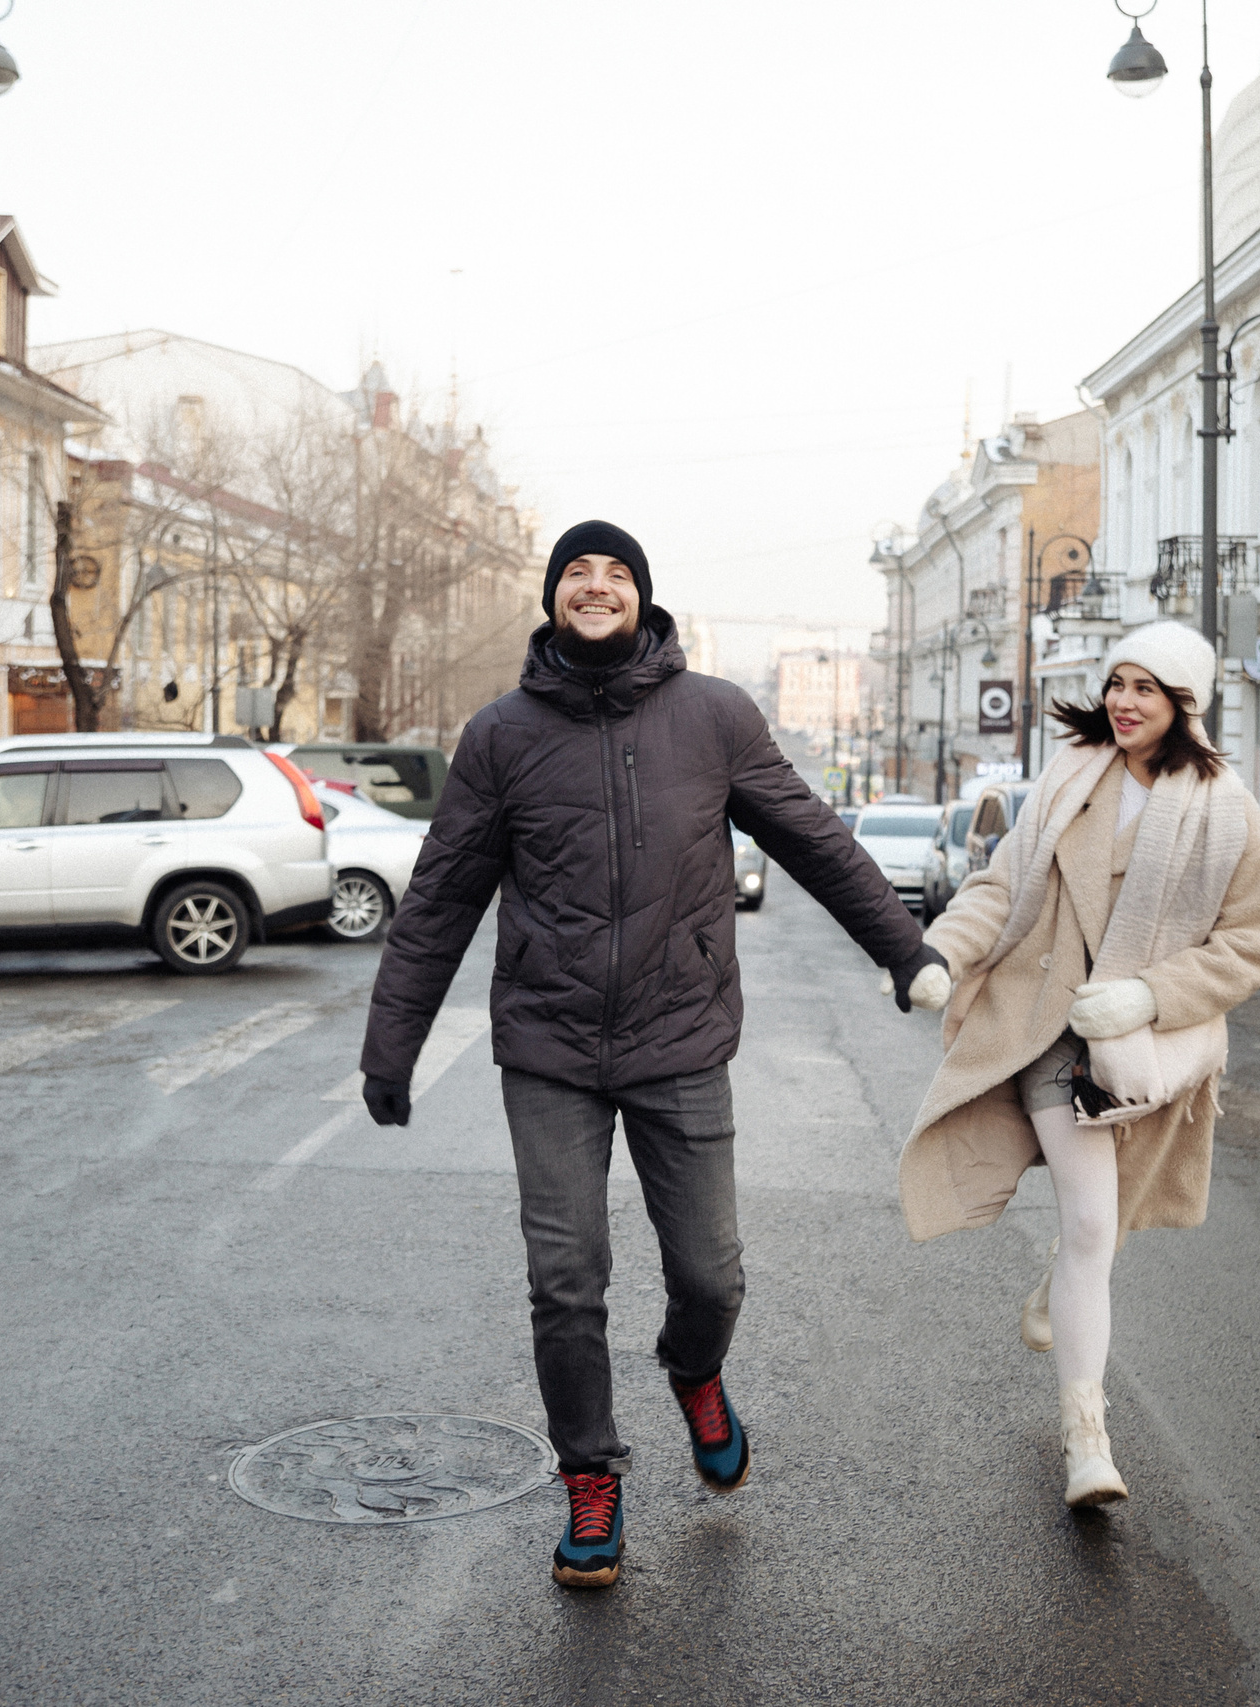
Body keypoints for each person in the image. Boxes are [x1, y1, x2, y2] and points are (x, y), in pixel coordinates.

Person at [358, 520, 943, 1590]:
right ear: (552, 598)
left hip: (680, 1039)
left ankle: (695, 1370)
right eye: (575, 573)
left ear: (643, 596)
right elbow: (440, 897)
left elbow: (812, 838)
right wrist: (391, 1044)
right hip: (549, 1048)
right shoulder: (499, 736)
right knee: (565, 1280)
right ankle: (591, 1476)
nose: (595, 585)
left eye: (615, 572)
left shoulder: (714, 716)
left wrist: (905, 950)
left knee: (711, 1275)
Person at [893, 621, 1260, 1508]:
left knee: (1100, 1227)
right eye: (1117, 683)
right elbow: (1001, 883)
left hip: (1141, 1041)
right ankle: (1087, 1438)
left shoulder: (1225, 808)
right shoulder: (1070, 776)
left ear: (1184, 702)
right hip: (1048, 1027)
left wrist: (1150, 995)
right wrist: (941, 951)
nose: (1123, 701)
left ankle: (1063, 1284)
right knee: (1088, 1222)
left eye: (1146, 687)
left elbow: (1256, 941)